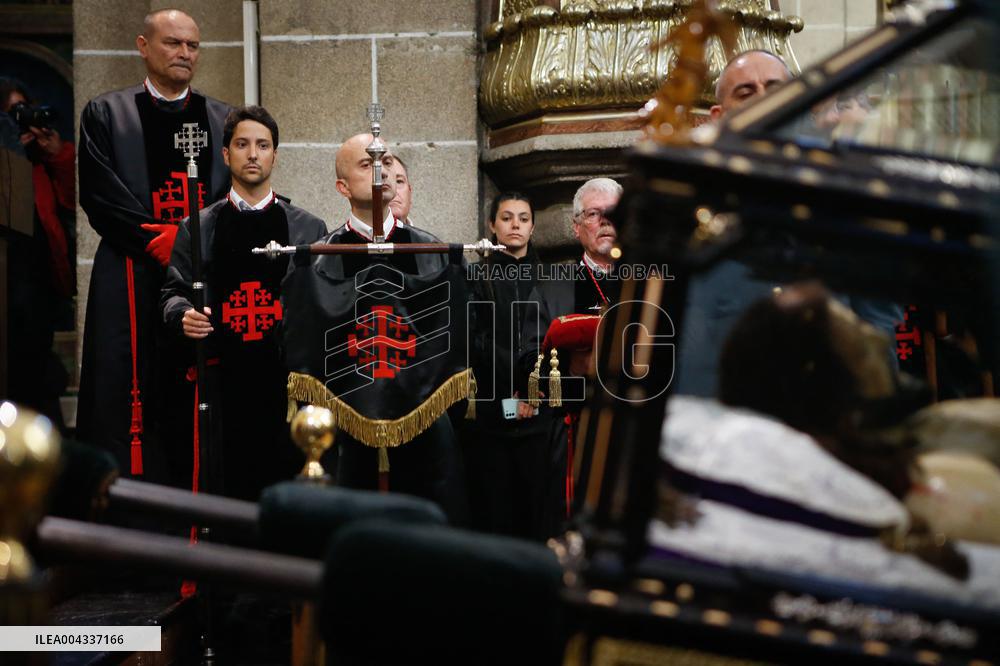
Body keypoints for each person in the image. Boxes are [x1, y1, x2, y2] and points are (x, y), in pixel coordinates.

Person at [675, 50, 901, 398]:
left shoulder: (842, 199)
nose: (765, 100)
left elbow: (876, 325)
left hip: (826, 410)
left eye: (775, 88)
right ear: (719, 117)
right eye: (746, 92)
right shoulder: (693, 205)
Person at [76, 9, 231, 483]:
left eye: (193, 46)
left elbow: (231, 194)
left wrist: (184, 244)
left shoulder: (222, 118)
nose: (185, 53)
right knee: (123, 384)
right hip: (128, 269)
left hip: (197, 272)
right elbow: (99, 193)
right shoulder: (107, 113)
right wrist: (158, 240)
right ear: (144, 46)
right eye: (173, 43)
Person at [161, 105, 327, 500]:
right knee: (230, 487)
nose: (253, 153)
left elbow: (324, 301)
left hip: (288, 386)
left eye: (263, 145)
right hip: (223, 384)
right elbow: (173, 293)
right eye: (242, 144)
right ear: (225, 154)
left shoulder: (308, 227)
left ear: (275, 155)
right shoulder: (198, 226)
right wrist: (182, 315)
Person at [316, 132, 466, 519]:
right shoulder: (321, 258)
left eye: (384, 163)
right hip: (347, 412)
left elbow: (450, 334)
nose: (379, 172)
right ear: (342, 187)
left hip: (421, 410)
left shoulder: (431, 251)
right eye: (366, 165)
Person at [463, 192, 552, 539]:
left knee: (535, 511)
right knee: (493, 510)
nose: (515, 225)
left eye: (524, 218)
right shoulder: (477, 276)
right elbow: (475, 341)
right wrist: (510, 393)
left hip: (540, 410)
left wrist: (533, 389)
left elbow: (551, 338)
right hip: (490, 412)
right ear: (492, 225)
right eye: (506, 217)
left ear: (532, 227)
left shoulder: (549, 276)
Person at [1, 77, 74, 427]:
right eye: (14, 113)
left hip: (37, 281)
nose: (24, 119)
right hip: (8, 279)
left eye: (24, 109)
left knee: (36, 371)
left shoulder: (40, 164)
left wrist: (57, 155)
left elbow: (74, 202)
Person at [386, 154, 413, 225]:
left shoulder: (426, 236)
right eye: (384, 183)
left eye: (399, 181)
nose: (394, 191)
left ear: (409, 193)